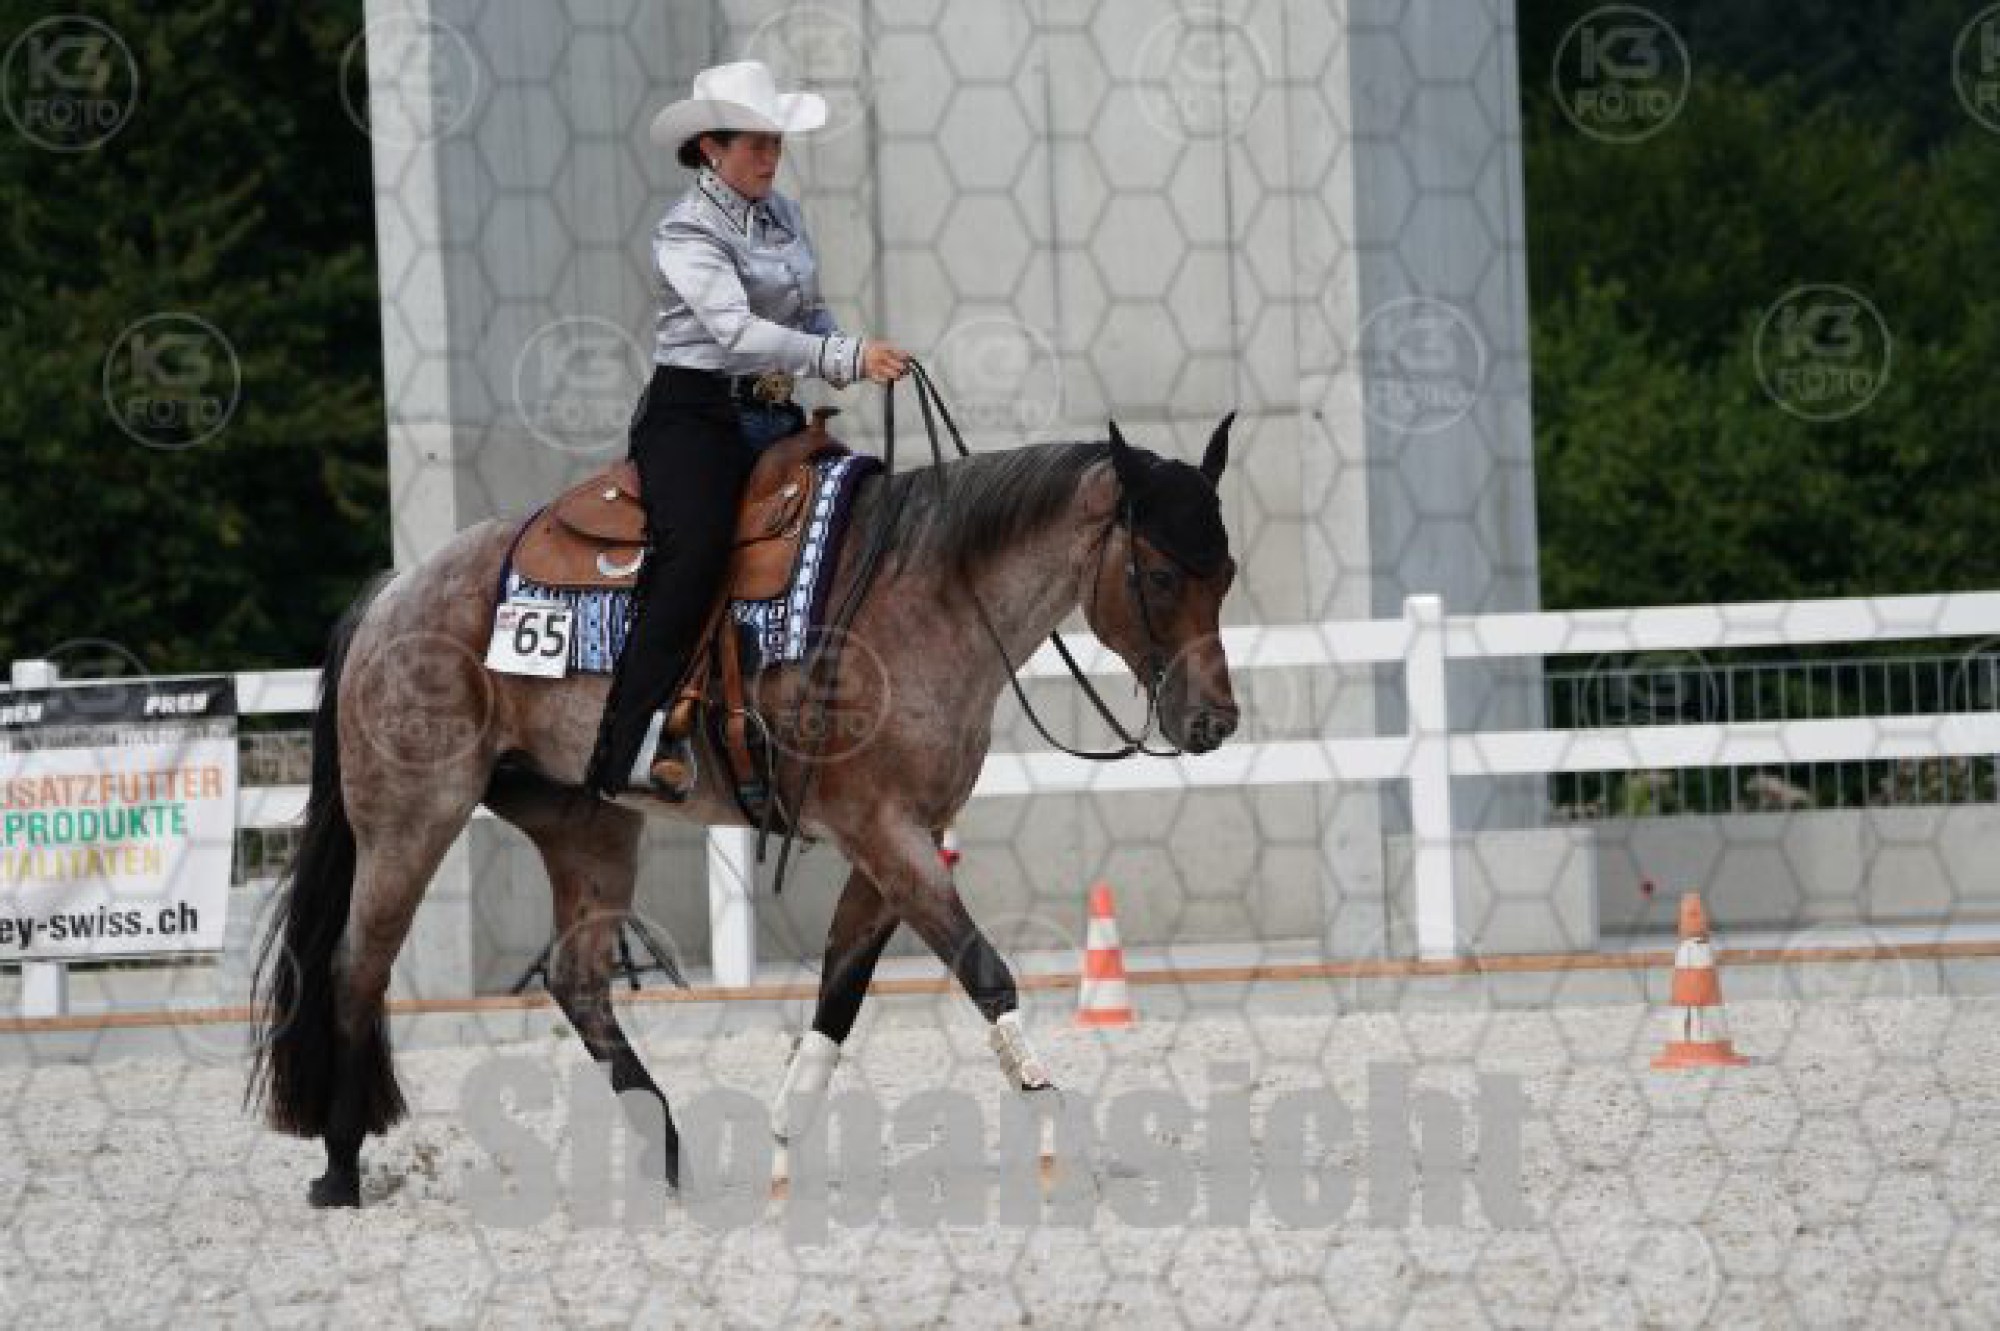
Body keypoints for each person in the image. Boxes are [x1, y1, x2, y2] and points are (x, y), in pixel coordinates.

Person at [584, 60, 910, 800]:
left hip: (774, 414)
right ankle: (629, 743)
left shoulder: (783, 214)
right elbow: (735, 332)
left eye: (776, 143)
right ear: (711, 148)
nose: (771, 157)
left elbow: (809, 312)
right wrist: (844, 357)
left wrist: (851, 352)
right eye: (757, 144)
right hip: (695, 417)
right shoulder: (686, 230)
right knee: (695, 553)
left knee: (848, 522)